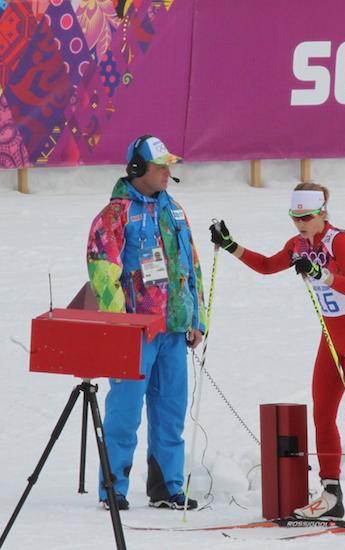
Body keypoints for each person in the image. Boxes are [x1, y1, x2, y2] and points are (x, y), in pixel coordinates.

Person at [209, 182, 345, 523]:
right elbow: (267, 265)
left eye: (306, 217)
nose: (300, 224)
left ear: (322, 213)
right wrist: (230, 245)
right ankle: (331, 493)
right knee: (322, 412)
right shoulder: (298, 245)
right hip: (332, 333)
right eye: (295, 217)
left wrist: (321, 273)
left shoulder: (340, 240)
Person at [87, 135, 206, 511]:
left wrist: (198, 317)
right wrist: (121, 323)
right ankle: (113, 487)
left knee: (170, 411)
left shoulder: (176, 211)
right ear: (138, 170)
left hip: (173, 329)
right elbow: (103, 271)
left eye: (169, 166)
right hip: (136, 332)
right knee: (124, 412)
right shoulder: (115, 214)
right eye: (160, 167)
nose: (167, 173)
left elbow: (193, 266)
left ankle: (167, 486)